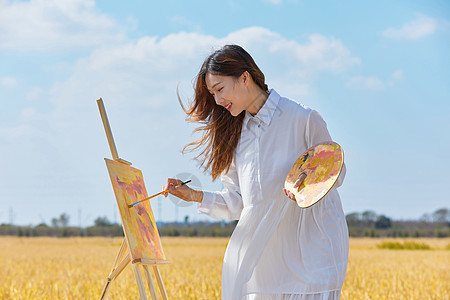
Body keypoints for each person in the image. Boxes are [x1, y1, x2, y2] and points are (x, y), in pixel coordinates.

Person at [163, 44, 348, 300]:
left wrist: (308, 178)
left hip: (312, 256)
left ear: (245, 77)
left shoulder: (303, 118)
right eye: (213, 94)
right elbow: (239, 203)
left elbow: (337, 171)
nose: (217, 101)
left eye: (220, 89)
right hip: (261, 264)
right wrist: (195, 196)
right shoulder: (236, 136)